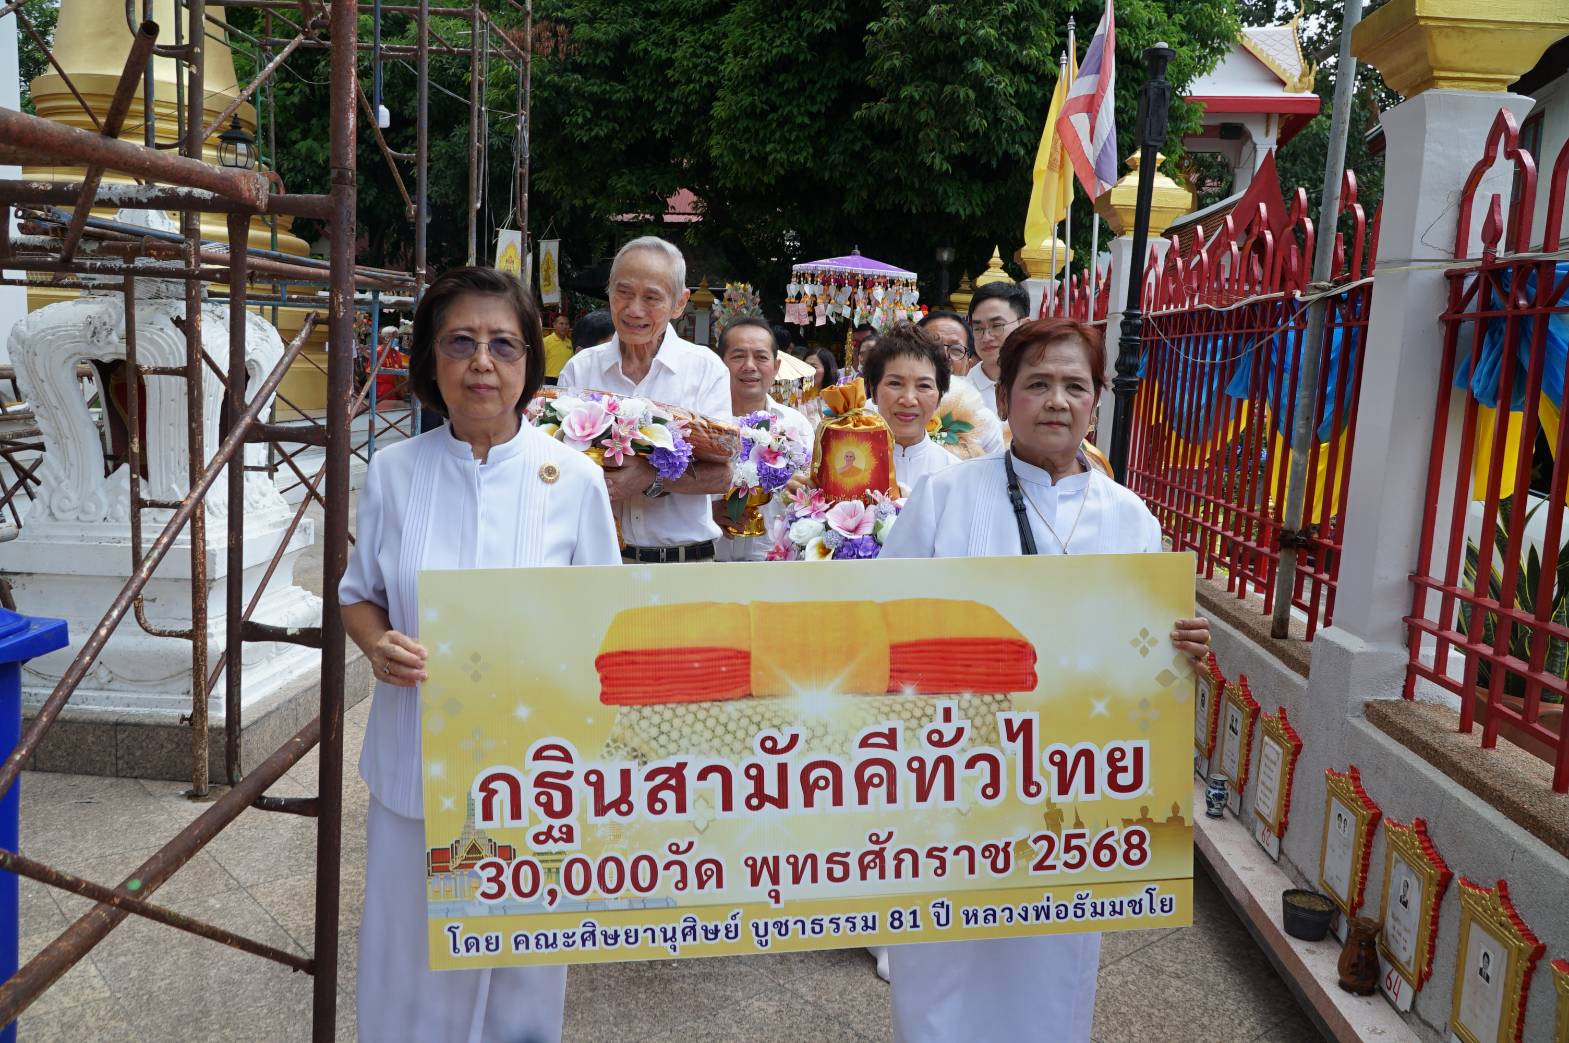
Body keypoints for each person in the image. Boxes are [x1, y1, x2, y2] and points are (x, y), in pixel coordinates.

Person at [880, 316, 1211, 1043]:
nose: (1056, 401)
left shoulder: (1130, 519)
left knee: (1049, 960)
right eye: (1037, 384)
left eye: (1074, 385)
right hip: (950, 774)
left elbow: (1145, 654)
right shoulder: (943, 499)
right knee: (940, 959)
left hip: (1068, 785)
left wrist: (1181, 646)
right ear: (1003, 401)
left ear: (1095, 402)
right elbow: (883, 619)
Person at [339, 267, 620, 1043]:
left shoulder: (575, 481)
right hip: (413, 764)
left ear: (531, 360)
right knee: (412, 962)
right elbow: (357, 593)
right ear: (432, 361)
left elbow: (607, 626)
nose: (482, 363)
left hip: (533, 771)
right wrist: (376, 643)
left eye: (503, 344)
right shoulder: (396, 472)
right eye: (460, 342)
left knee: (519, 968)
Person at [558, 236, 733, 563]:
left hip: (684, 566)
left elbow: (724, 474)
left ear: (680, 303)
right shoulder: (580, 371)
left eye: (652, 297)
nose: (634, 309)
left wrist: (650, 477)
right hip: (599, 565)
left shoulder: (705, 370)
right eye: (623, 292)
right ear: (609, 290)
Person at [711, 318, 812, 561]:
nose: (749, 366)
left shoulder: (796, 426)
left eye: (761, 357)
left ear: (776, 367)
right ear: (720, 364)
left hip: (773, 561)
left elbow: (813, 496)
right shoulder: (705, 423)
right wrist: (707, 513)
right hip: (711, 556)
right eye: (738, 356)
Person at [863, 322, 957, 495]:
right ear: (874, 391)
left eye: (924, 386)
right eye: (895, 383)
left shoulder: (956, 475)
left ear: (939, 396)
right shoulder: (847, 466)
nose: (908, 400)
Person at [918, 310, 1004, 456]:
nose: (944, 356)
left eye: (956, 349)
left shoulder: (985, 421)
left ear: (968, 366)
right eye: (932, 346)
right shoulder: (884, 410)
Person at [964, 281, 1032, 414]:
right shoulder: (961, 394)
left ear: (1024, 326)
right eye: (978, 328)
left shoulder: (1041, 384)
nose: (986, 337)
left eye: (996, 326)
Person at [542, 310, 574, 383]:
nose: (564, 326)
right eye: (561, 324)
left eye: (567, 324)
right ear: (554, 325)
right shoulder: (546, 341)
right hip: (549, 378)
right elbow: (540, 361)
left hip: (566, 378)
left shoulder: (570, 342)